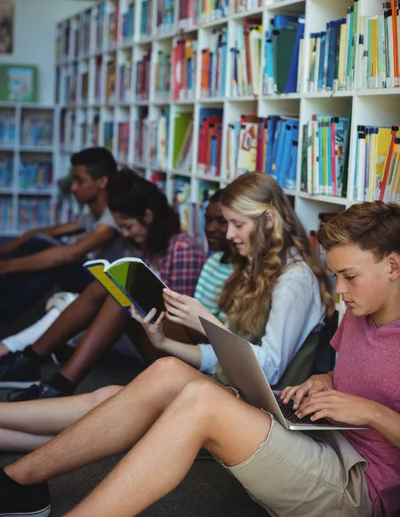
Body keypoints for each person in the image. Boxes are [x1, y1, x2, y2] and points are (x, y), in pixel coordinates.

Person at [0, 200, 399, 517]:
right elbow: (351, 370)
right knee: (170, 372)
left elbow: (375, 402)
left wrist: (370, 412)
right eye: (337, 277)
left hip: (357, 486)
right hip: (320, 437)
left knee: (200, 401)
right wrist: (325, 381)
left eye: (350, 276)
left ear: (394, 266)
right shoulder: (360, 311)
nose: (340, 289)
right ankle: (21, 480)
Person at [0, 168, 207, 400]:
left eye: (128, 226)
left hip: (177, 345)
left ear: (148, 216)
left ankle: (58, 385)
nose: (126, 234)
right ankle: (29, 361)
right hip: (149, 331)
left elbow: (183, 317)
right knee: (104, 285)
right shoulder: (146, 246)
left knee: (121, 296)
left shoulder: (182, 250)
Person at [136, 172, 333, 389]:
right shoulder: (257, 267)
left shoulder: (295, 280)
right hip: (230, 391)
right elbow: (223, 359)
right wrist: (163, 342)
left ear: (268, 221)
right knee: (160, 371)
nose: (229, 234)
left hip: (261, 407)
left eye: (237, 224)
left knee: (166, 374)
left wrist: (207, 323)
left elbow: (270, 370)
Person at [0, 146, 121, 325]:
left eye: (79, 181)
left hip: (108, 289)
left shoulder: (113, 218)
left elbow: (71, 254)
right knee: (40, 242)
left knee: (58, 262)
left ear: (102, 182)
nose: (73, 188)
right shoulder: (93, 214)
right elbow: (44, 234)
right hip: (95, 280)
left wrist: (8, 266)